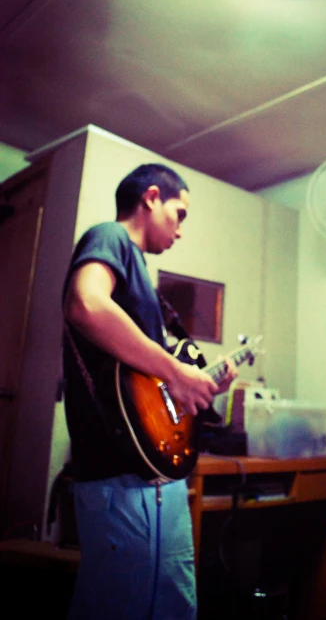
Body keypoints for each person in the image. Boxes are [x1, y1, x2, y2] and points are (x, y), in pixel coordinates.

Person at [62, 163, 238, 620]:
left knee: (174, 606)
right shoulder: (110, 237)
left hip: (154, 477)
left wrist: (197, 387)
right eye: (180, 213)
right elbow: (85, 303)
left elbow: (145, 391)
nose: (181, 230)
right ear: (152, 197)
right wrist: (176, 372)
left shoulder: (143, 281)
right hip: (118, 479)